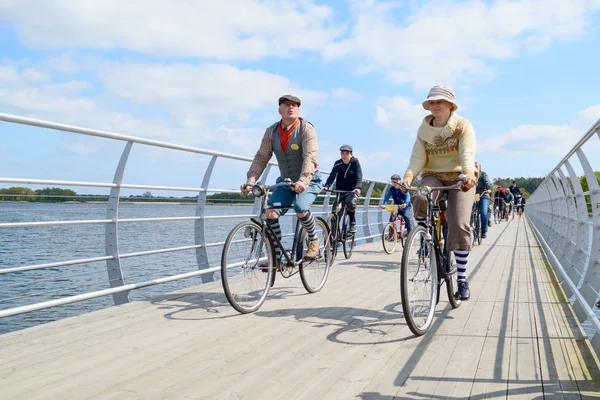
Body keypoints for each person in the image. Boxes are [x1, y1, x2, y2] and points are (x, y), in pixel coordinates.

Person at [402, 85, 477, 301]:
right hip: (433, 174)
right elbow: (417, 158)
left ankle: (462, 280)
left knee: (460, 223)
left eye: (439, 102)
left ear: (450, 105)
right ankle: (425, 235)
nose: (434, 105)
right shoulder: (423, 129)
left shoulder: (463, 126)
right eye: (431, 102)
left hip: (459, 177)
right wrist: (408, 177)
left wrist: (469, 173)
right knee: (418, 196)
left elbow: (467, 153)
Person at [242, 94, 322, 269]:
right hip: (286, 182)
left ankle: (314, 240)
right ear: (280, 110)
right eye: (286, 105)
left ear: (298, 109)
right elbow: (262, 157)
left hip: (309, 180)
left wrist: (303, 180)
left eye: (294, 105)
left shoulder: (306, 129)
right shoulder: (271, 131)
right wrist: (251, 180)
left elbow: (310, 157)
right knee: (270, 213)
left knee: (300, 207)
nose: (291, 107)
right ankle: (276, 258)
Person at [322, 144, 363, 233]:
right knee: (336, 212)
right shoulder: (338, 163)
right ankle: (334, 237)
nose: (344, 155)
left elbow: (359, 176)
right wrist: (326, 186)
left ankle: (352, 222)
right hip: (340, 190)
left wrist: (358, 187)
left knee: (350, 202)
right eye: (342, 153)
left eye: (346, 153)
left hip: (352, 190)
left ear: (351, 154)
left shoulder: (355, 162)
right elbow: (332, 176)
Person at [474, 162, 492, 238]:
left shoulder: (483, 174)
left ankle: (483, 231)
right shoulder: (470, 174)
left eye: (476, 166)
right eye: (473, 166)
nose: (475, 167)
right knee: (468, 211)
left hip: (483, 195)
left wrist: (488, 189)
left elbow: (488, 183)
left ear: (480, 168)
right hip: (474, 196)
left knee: (484, 213)